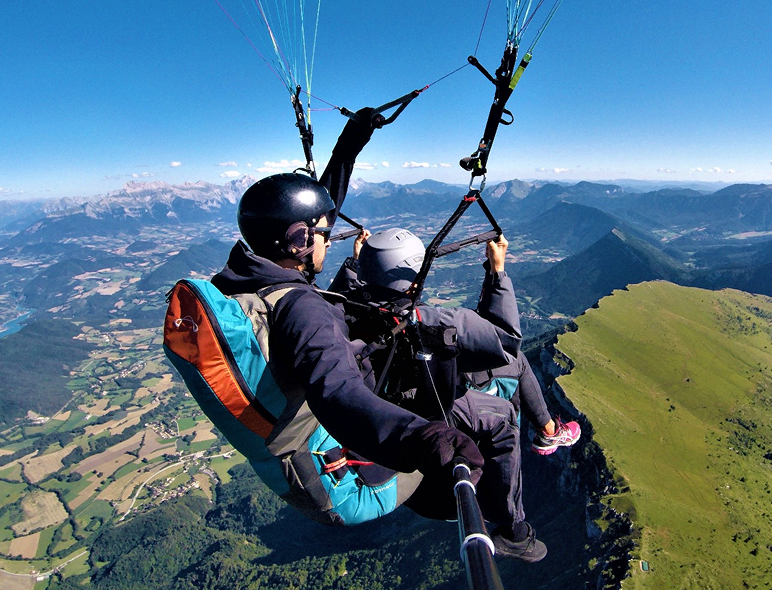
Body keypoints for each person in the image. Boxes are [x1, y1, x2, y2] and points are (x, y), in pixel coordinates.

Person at [210, 114, 547, 562]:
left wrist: (349, 145)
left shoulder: (251, 282)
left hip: (368, 404)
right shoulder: (306, 309)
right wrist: (420, 437)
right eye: (323, 234)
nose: (329, 239)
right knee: (501, 414)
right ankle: (513, 529)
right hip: (372, 452)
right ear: (298, 241)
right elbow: (338, 392)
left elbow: (306, 222)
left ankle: (540, 445)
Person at [333, 229, 582, 457]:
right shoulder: (430, 320)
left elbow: (345, 292)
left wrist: (357, 263)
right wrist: (497, 271)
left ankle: (546, 429)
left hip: (382, 400)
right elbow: (505, 340)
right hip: (427, 397)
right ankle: (548, 431)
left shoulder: (347, 307)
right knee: (518, 361)